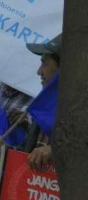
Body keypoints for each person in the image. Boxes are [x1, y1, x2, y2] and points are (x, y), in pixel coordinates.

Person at [25, 34, 61, 171]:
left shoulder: (79, 112)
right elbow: (26, 152)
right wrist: (2, 149)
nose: (39, 71)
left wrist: (56, 150)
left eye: (45, 64)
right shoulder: (42, 109)